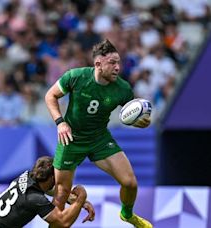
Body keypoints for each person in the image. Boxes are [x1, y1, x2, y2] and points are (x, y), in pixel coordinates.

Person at [45, 39, 153, 228]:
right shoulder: (76, 77)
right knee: (61, 196)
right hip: (71, 139)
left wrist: (142, 123)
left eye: (118, 62)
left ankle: (127, 215)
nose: (118, 67)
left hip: (99, 139)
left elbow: (132, 114)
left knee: (130, 183)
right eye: (112, 62)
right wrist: (60, 123)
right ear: (98, 64)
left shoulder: (123, 89)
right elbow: (50, 96)